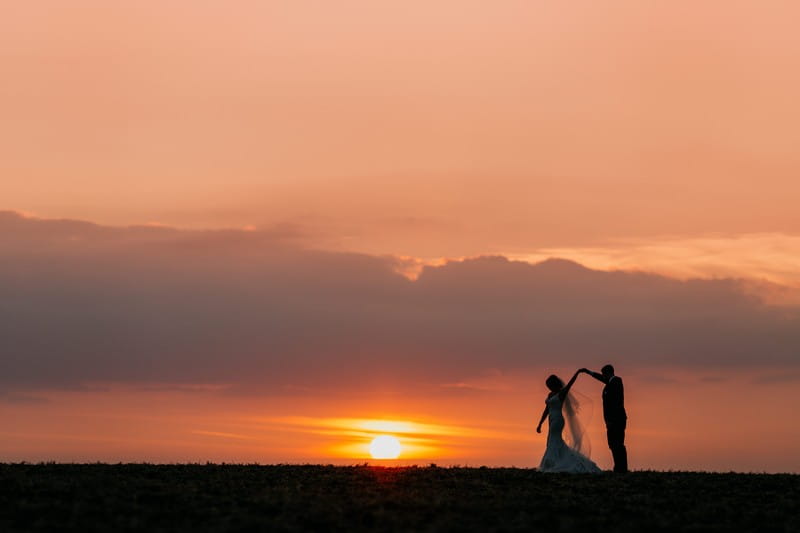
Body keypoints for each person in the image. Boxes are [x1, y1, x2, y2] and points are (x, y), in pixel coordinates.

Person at [536, 370, 601, 473]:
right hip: (551, 420)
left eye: (549, 385)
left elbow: (571, 383)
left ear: (554, 384)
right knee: (552, 440)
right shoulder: (550, 395)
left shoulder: (561, 393)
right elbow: (546, 410)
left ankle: (551, 462)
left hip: (558, 420)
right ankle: (554, 461)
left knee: (554, 440)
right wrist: (540, 423)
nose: (548, 387)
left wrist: (578, 373)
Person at [580, 365, 628, 473]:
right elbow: (601, 379)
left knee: (618, 444)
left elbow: (614, 403)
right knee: (613, 444)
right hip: (611, 420)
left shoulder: (616, 381)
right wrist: (588, 372)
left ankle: (621, 468)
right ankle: (619, 467)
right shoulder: (610, 383)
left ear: (608, 373)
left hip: (617, 419)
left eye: (604, 374)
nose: (603, 377)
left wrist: (611, 420)